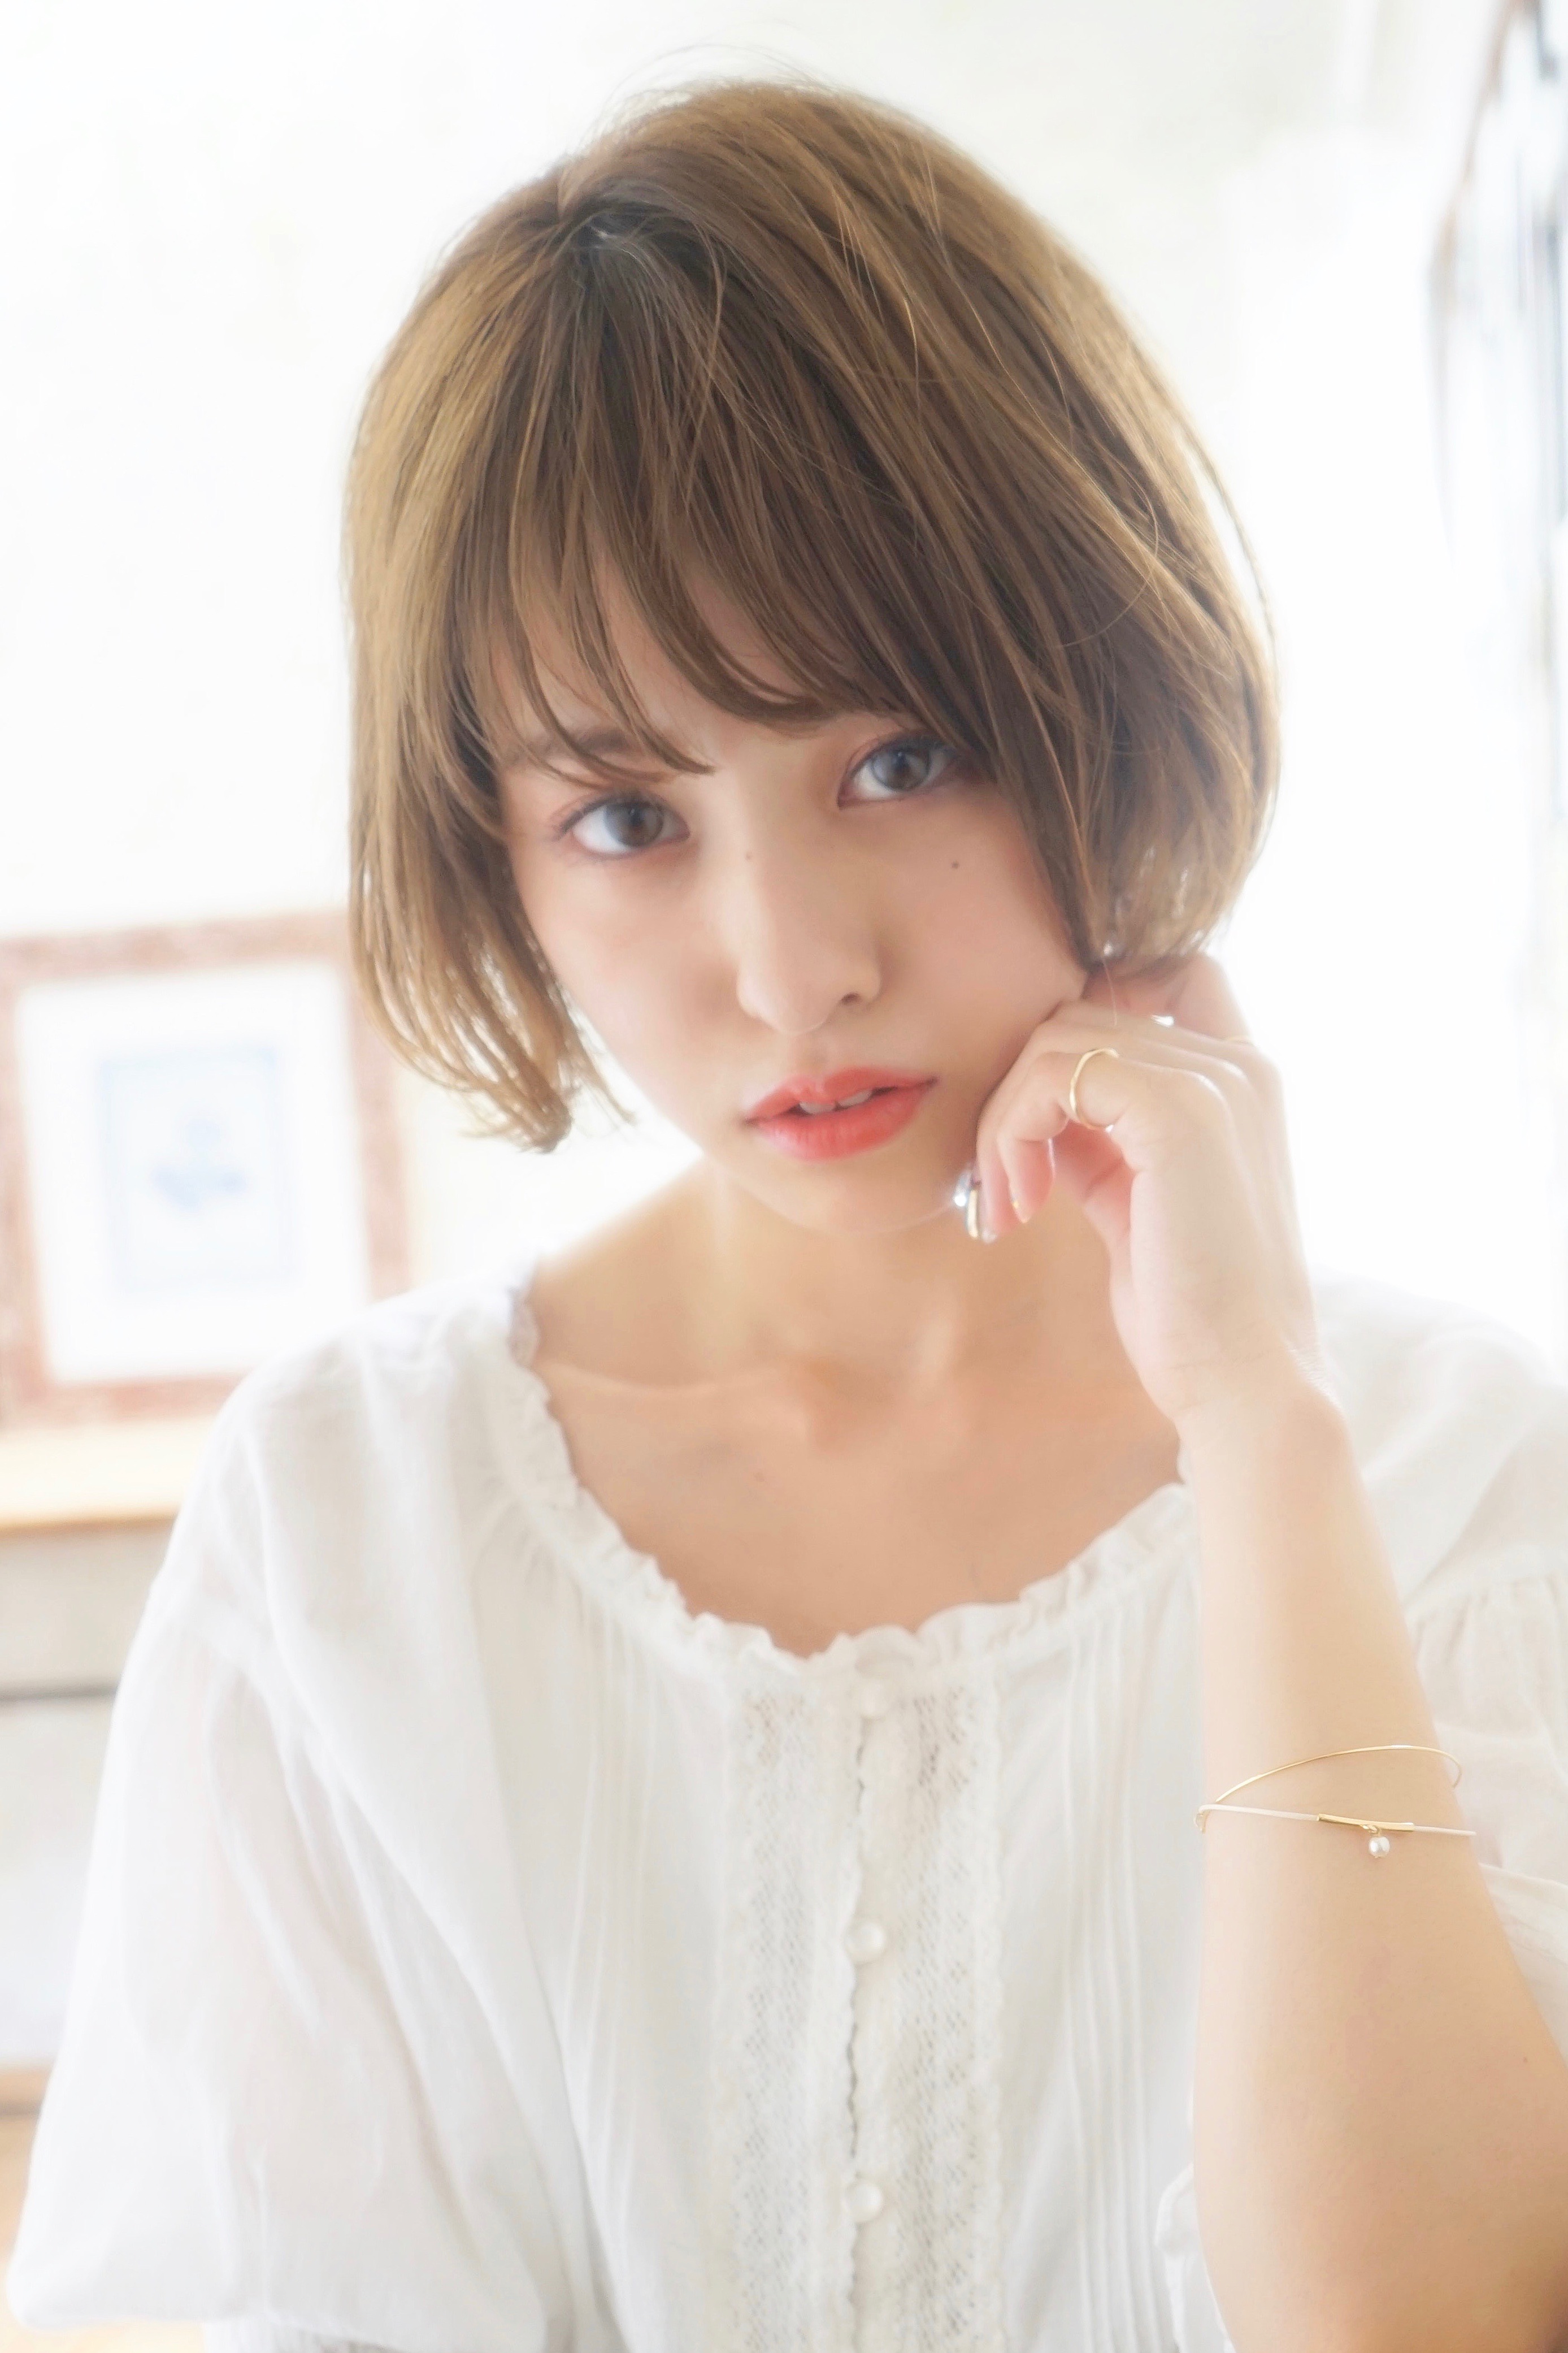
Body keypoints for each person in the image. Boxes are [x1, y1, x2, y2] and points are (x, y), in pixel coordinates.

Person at [9, 75, 1568, 2353]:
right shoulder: (351, 1522)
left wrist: (1256, 1431)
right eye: (627, 818)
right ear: (495, 857)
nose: (790, 965)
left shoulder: (1451, 1473)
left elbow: (1423, 2324)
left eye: (898, 758)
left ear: (1104, 692)